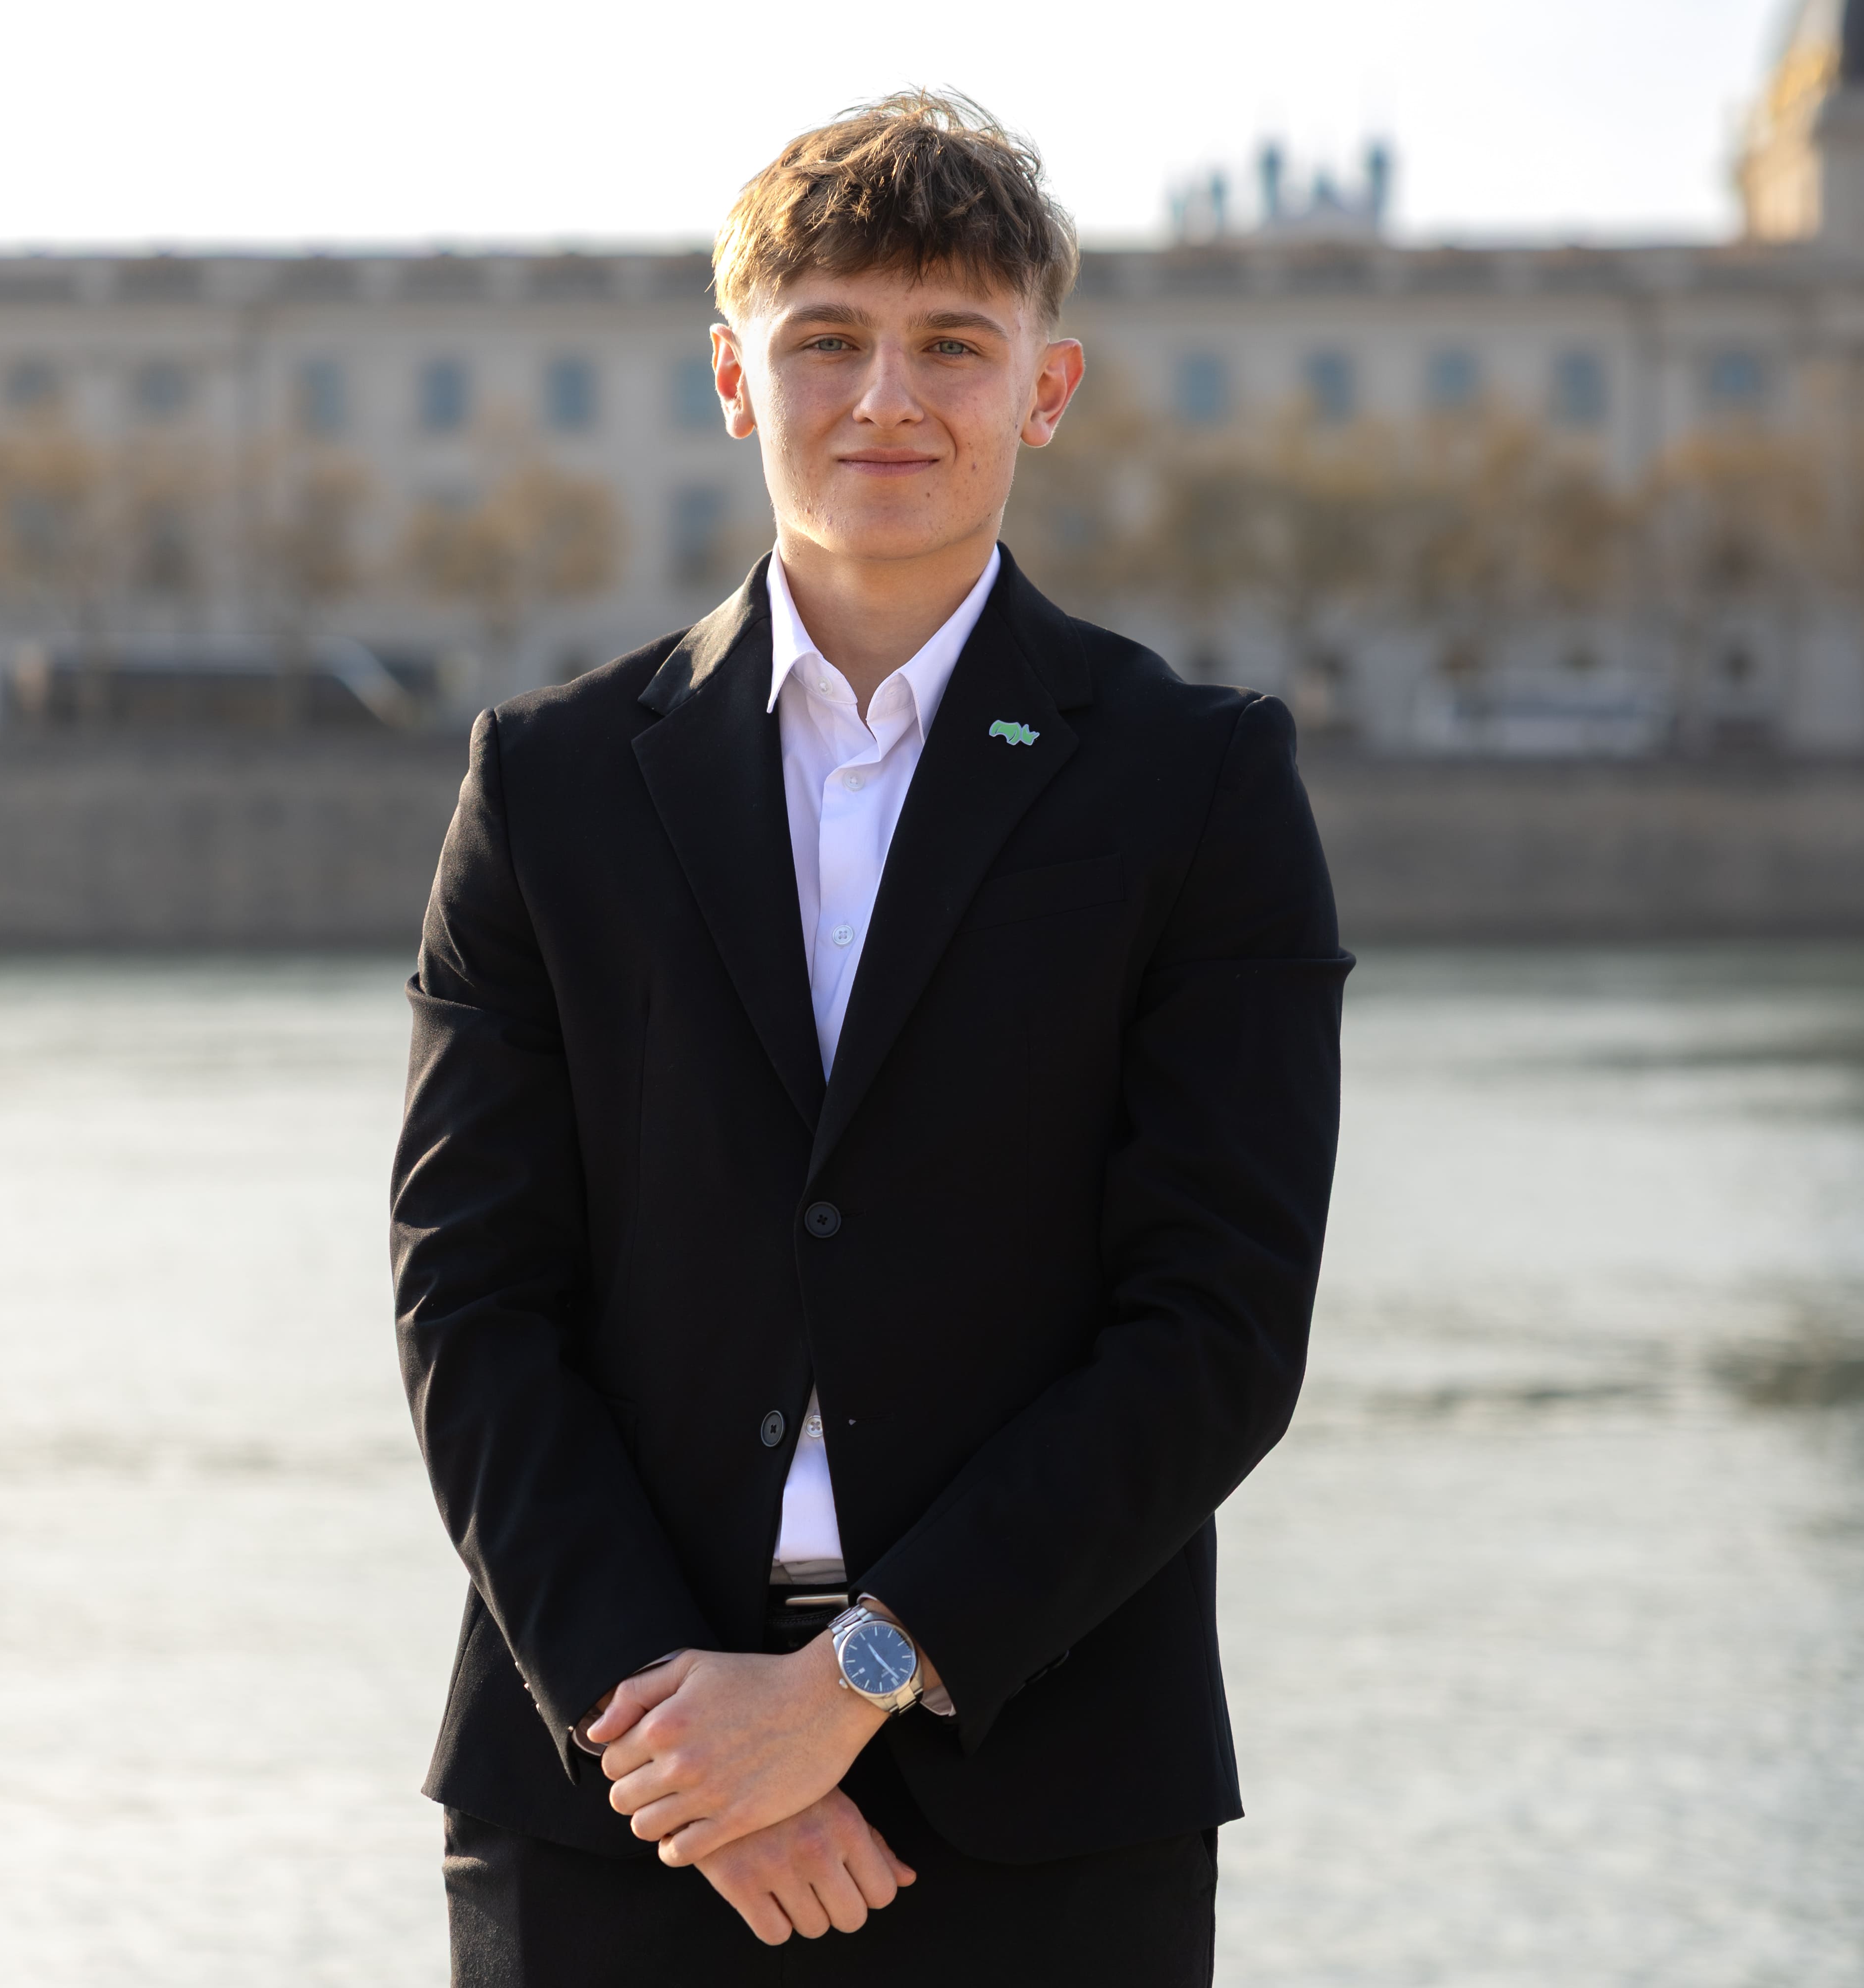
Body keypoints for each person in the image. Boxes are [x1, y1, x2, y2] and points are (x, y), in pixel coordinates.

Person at [390, 89, 1348, 1985]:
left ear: (1045, 389)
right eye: (825, 338)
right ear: (737, 382)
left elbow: (1218, 1332)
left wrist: (852, 1686)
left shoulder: (1201, 785)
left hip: (1048, 1792)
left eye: (952, 346)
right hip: (612, 1796)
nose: (885, 396)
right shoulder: (551, 785)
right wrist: (684, 1748)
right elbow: (471, 1305)